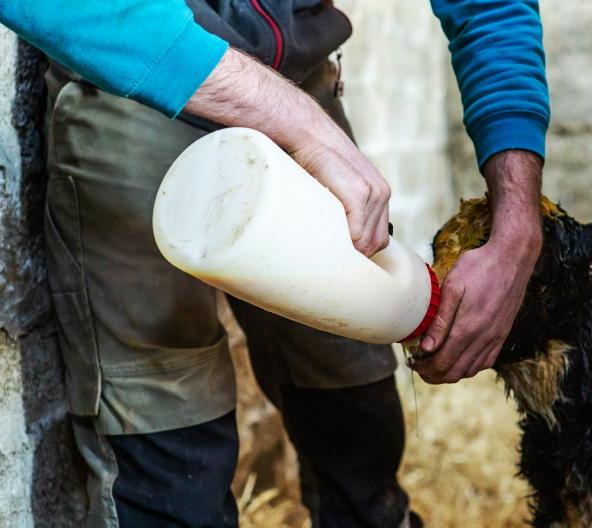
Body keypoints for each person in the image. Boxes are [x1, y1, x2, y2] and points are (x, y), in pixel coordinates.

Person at [0, 1, 550, 527]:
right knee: (168, 439)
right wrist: (305, 128)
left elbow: (489, 4)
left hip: (296, 76)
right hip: (139, 75)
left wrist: (519, 226)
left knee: (355, 401)